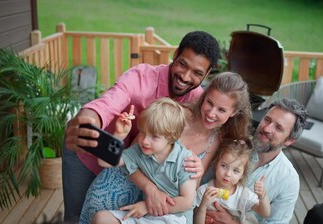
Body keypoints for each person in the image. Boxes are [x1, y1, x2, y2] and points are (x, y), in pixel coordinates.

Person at [62, 30, 220, 222]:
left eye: (197, 73)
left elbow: (208, 133)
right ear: (176, 53)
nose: (186, 77)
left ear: (208, 73)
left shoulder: (197, 101)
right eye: (182, 64)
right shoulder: (140, 77)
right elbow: (108, 102)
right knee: (74, 217)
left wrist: (198, 165)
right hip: (90, 152)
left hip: (129, 171)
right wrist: (88, 118)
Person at [79, 72, 251, 223]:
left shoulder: (216, 140)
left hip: (166, 209)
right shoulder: (173, 115)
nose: (212, 113)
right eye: (209, 103)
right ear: (203, 97)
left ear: (234, 112)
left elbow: (189, 193)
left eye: (221, 110)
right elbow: (132, 155)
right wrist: (118, 137)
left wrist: (197, 172)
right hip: (129, 183)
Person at [93, 97, 197, 224]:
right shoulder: (138, 151)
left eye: (155, 136)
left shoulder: (184, 159)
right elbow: (103, 162)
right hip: (147, 217)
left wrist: (147, 207)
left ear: (171, 137)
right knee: (101, 218)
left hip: (175, 217)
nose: (145, 141)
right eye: (142, 132)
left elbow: (187, 201)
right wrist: (119, 135)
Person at [206, 98, 308, 224]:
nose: (267, 129)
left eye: (278, 128)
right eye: (267, 120)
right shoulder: (233, 145)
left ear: (289, 140)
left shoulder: (289, 180)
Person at [194, 139, 270, 224]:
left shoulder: (244, 195)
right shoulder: (204, 190)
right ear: (216, 164)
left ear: (242, 174)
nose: (228, 174)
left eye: (236, 171)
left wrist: (262, 196)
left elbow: (265, 213)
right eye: (224, 166)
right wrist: (203, 206)